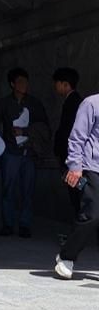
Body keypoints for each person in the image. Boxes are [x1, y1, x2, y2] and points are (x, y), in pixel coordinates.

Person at [0, 68, 49, 238]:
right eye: (20, 82)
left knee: (28, 190)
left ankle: (25, 224)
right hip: (10, 151)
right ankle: (8, 223)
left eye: (26, 82)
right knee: (8, 189)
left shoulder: (35, 103)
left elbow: (44, 127)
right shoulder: (4, 103)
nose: (24, 85)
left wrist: (26, 132)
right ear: (12, 84)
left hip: (29, 151)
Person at [55, 93, 99, 279]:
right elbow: (77, 137)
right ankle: (67, 256)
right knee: (92, 213)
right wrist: (74, 166)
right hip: (92, 167)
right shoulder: (91, 103)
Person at [53, 67, 82, 217]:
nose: (55, 87)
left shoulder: (73, 102)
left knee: (77, 192)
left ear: (65, 84)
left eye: (57, 83)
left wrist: (61, 153)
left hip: (72, 158)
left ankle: (81, 231)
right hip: (73, 157)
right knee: (78, 192)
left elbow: (68, 132)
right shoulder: (75, 101)